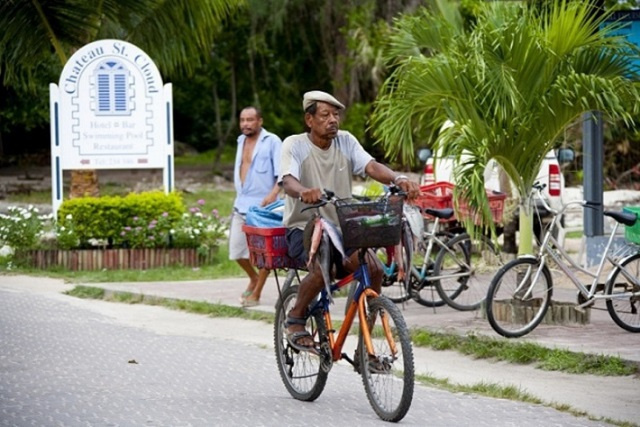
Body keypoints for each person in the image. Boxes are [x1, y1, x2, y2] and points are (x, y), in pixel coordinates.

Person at [279, 90, 420, 352]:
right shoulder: (294, 144)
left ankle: (365, 343)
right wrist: (303, 192)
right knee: (323, 269)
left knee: (375, 270)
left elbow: (371, 166)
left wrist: (397, 179)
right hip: (303, 229)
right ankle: (295, 318)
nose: (333, 120)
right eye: (325, 115)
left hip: (343, 228)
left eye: (336, 114)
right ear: (309, 120)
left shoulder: (345, 141)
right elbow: (288, 180)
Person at [229, 106, 282, 307]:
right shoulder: (240, 141)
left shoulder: (273, 141)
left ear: (260, 121)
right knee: (235, 251)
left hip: (263, 207)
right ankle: (253, 278)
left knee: (263, 254)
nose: (245, 124)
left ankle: (257, 294)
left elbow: (282, 174)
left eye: (250, 120)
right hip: (241, 204)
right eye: (242, 120)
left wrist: (273, 195)